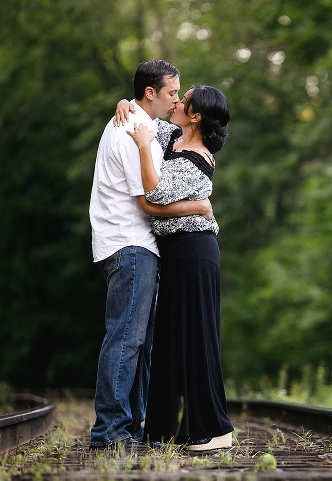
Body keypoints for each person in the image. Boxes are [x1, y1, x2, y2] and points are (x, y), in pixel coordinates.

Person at [89, 60, 212, 450]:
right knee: (126, 339)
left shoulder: (147, 126)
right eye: (173, 92)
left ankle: (132, 427)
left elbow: (188, 133)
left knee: (138, 343)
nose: (177, 98)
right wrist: (200, 208)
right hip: (129, 244)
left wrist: (123, 100)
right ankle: (110, 431)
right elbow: (147, 202)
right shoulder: (130, 131)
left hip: (140, 246)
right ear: (151, 94)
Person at [121, 85, 234, 451]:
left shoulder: (196, 158)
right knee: (169, 340)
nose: (176, 101)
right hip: (175, 255)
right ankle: (162, 430)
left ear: (196, 115)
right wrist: (125, 103)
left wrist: (141, 147)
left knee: (198, 338)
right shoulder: (174, 136)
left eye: (182, 100)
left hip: (195, 252)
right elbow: (146, 117)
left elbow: (154, 194)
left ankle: (216, 430)